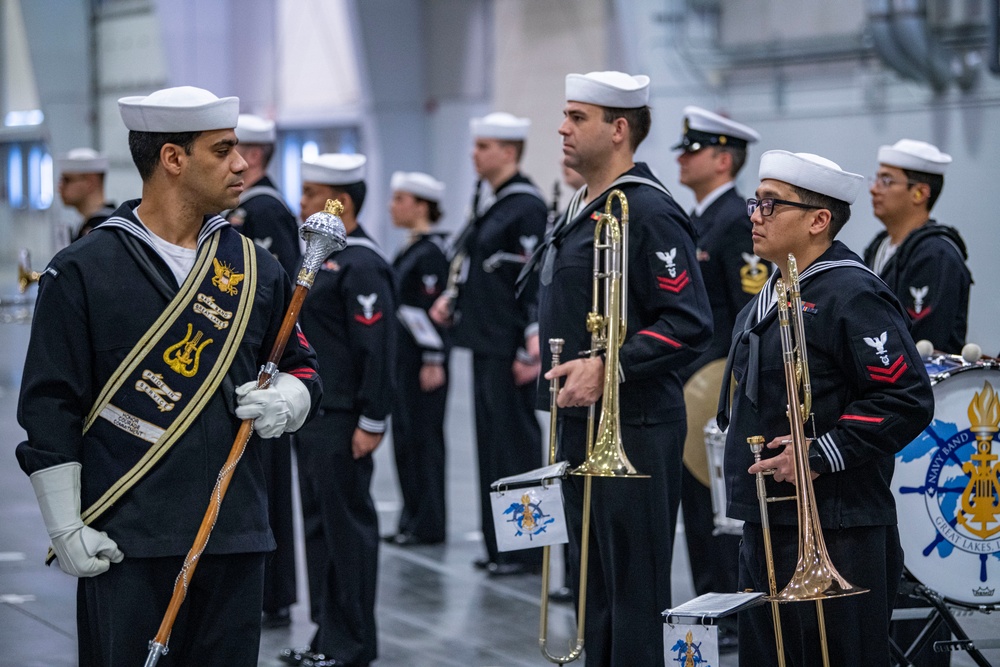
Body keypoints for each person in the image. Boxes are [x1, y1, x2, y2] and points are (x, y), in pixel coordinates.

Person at [16, 85, 322, 666]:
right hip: (128, 540)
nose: (242, 163)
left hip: (235, 534)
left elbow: (304, 364)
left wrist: (292, 395)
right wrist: (63, 526)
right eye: (223, 149)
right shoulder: (82, 270)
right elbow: (49, 405)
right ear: (173, 159)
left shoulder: (256, 266)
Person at [718, 150, 934, 666]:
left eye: (771, 205)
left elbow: (906, 397)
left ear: (818, 221)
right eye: (756, 202)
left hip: (839, 529)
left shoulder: (851, 293)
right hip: (770, 526)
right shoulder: (767, 296)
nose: (755, 215)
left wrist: (820, 453)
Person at [527, 71, 713, 666]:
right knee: (593, 591)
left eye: (577, 117)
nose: (561, 127)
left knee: (632, 592)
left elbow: (688, 320)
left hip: (633, 427)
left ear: (619, 129)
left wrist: (608, 366)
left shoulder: (648, 210)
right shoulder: (588, 207)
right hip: (581, 424)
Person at [282, 153, 396, 667]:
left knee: (346, 532)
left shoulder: (362, 263)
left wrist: (373, 419)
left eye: (311, 193)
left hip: (345, 419)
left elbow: (376, 349)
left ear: (340, 203)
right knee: (318, 530)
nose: (301, 203)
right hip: (315, 417)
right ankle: (325, 637)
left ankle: (351, 645)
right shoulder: (321, 260)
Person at [429, 112, 547, 576]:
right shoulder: (493, 203)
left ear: (509, 152)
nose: (475, 154)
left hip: (510, 350)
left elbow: (535, 282)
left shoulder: (525, 207)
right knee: (491, 450)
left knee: (516, 449)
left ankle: (527, 548)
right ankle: (502, 547)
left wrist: (528, 348)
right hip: (484, 344)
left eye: (484, 146)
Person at [673, 105, 762, 651]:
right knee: (696, 509)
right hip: (691, 390)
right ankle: (710, 602)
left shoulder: (736, 222)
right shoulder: (701, 219)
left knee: (720, 509)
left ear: (723, 159)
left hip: (719, 392)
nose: (683, 158)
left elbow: (746, 316)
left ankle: (731, 614)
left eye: (694, 149)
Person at [224, 113, 302, 629]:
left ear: (251, 157)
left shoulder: (264, 212)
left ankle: (272, 592)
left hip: (265, 369)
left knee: (266, 484)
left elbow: (271, 293)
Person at [384, 171, 450, 547]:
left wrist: (433, 358)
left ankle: (429, 522)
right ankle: (412, 518)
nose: (393, 207)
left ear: (421, 206)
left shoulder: (430, 253)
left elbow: (431, 311)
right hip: (405, 360)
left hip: (423, 361)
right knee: (407, 439)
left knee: (424, 440)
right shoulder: (411, 247)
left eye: (400, 199)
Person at [863, 138, 972, 354]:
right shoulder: (878, 246)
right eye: (876, 179)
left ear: (920, 193)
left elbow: (924, 339)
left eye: (886, 181)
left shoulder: (936, 254)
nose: (874, 190)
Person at [228, 113, 301, 279]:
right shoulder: (240, 201)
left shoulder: (267, 208)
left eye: (229, 150)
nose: (223, 158)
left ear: (254, 156)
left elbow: (277, 277)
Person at [55, 147, 116, 241]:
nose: (59, 188)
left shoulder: (107, 229)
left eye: (67, 180)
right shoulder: (87, 226)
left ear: (90, 183)